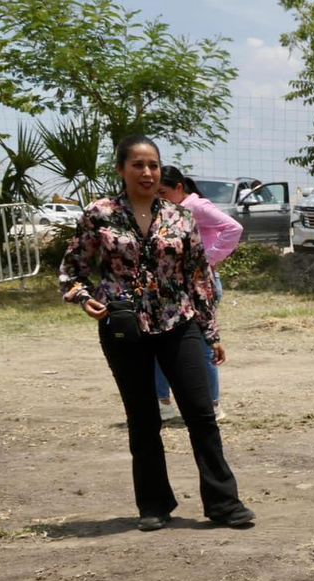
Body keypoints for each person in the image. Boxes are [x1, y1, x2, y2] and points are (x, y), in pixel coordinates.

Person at [58, 136, 254, 532]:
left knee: (200, 414)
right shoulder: (99, 214)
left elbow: (197, 277)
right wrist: (83, 298)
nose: (148, 173)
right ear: (121, 169)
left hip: (177, 323)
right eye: (138, 165)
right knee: (143, 417)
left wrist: (210, 332)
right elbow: (73, 269)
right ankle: (154, 504)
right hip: (124, 327)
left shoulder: (180, 217)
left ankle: (223, 504)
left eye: (154, 165)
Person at [155, 167, 244, 421]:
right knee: (161, 342)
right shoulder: (166, 211)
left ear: (180, 188)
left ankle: (212, 405)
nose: (159, 198)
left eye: (164, 192)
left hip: (201, 285)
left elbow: (233, 228)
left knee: (205, 344)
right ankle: (163, 403)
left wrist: (207, 260)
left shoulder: (196, 207)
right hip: (174, 285)